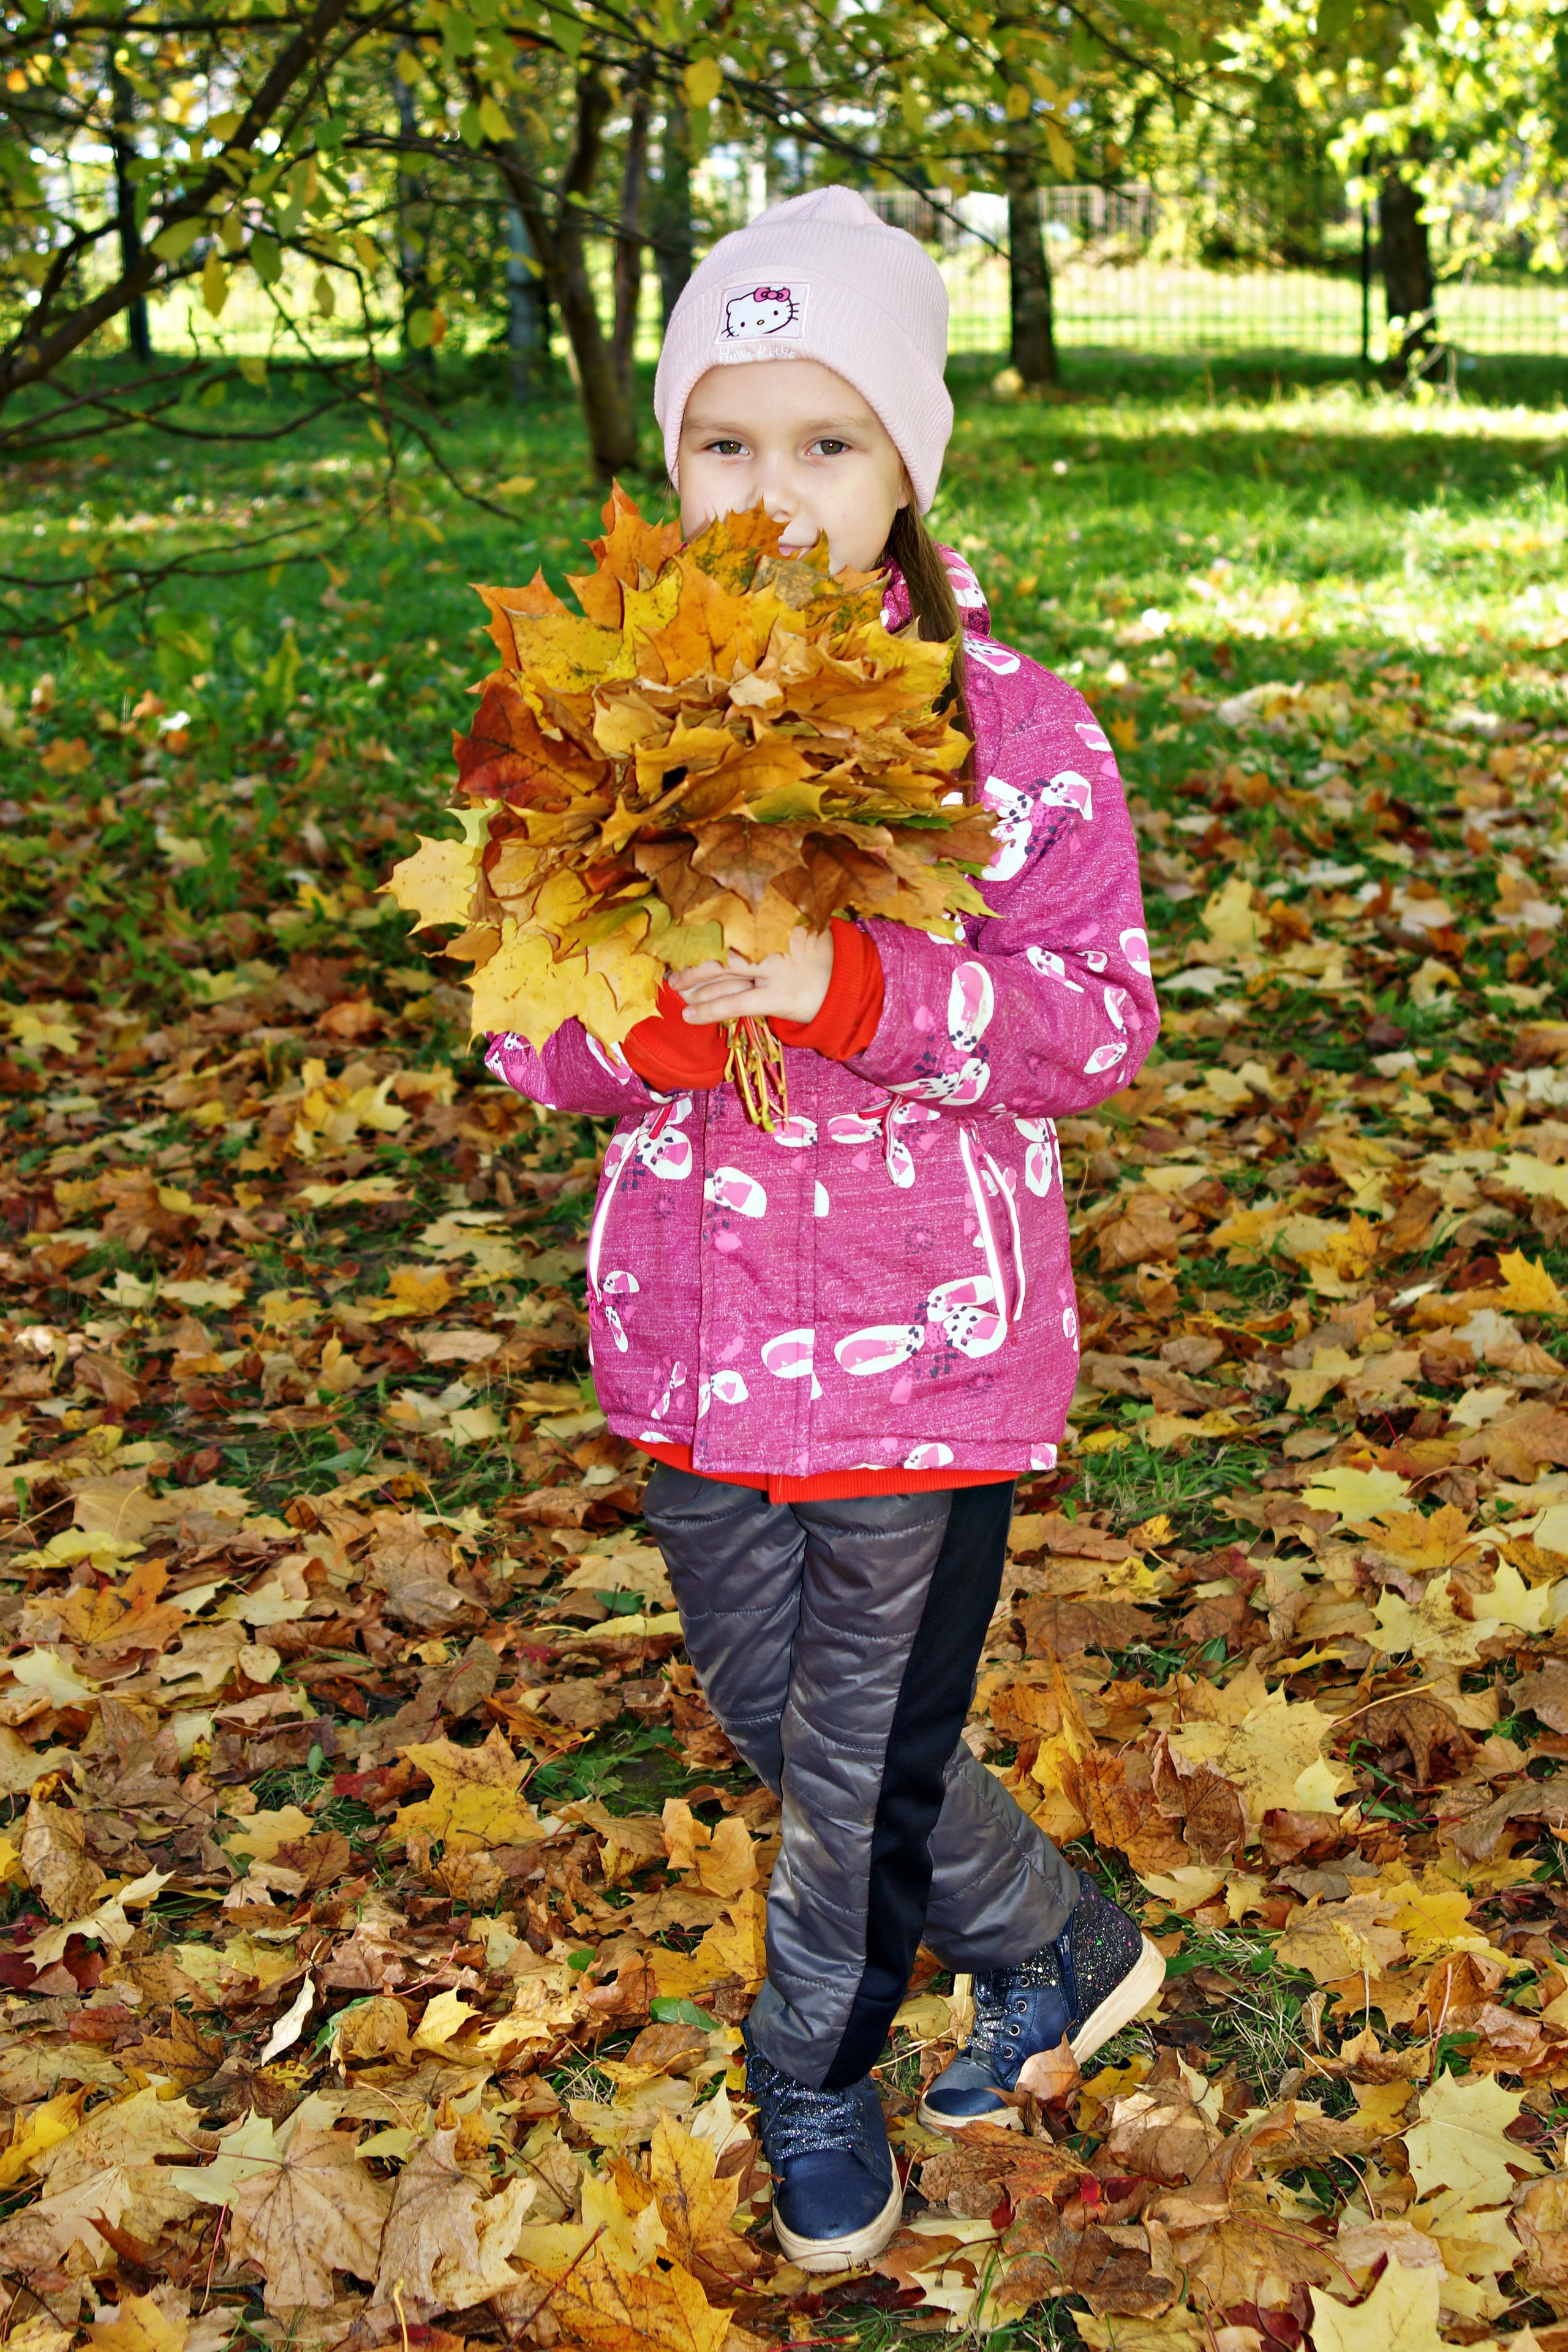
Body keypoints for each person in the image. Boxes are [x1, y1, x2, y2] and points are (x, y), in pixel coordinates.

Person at [484, 185, 1164, 2272]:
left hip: (926, 1340)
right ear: (668, 457)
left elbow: (1103, 1025)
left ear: (910, 465)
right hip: (690, 1339)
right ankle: (1057, 1938)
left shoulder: (1014, 734)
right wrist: (660, 1037)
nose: (770, 493)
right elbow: (529, 1044)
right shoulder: (599, 722)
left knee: (850, 1756)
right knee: (786, 1721)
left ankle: (807, 2062)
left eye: (828, 441)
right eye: (724, 440)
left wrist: (872, 995)